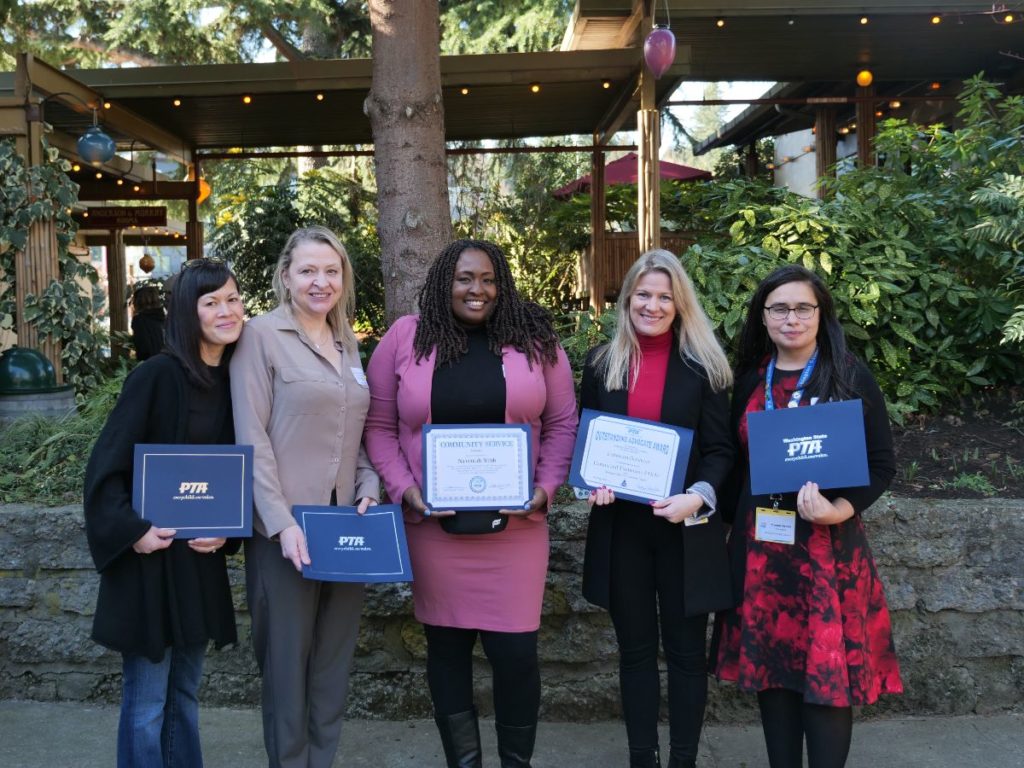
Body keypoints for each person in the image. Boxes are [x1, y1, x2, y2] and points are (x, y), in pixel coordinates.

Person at [364, 239, 577, 768]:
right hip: (434, 529)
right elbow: (379, 426)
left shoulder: (536, 340)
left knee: (516, 657)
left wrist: (546, 488)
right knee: (447, 652)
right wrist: (404, 490)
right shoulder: (404, 338)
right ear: (444, 282)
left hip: (517, 530)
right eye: (464, 278)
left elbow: (563, 423)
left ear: (501, 284)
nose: (476, 290)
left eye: (487, 279)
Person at [711, 264, 902, 768]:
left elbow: (882, 463)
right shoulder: (751, 379)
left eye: (802, 307)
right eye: (779, 308)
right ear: (763, 317)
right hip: (762, 554)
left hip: (826, 552)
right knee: (773, 678)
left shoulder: (849, 374)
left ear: (821, 315)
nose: (791, 318)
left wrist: (840, 508)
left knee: (827, 681)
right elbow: (733, 461)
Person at [83, 258, 244, 767]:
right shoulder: (156, 376)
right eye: (211, 302)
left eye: (233, 299)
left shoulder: (237, 382)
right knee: (148, 702)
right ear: (186, 312)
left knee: (186, 696)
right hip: (149, 563)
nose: (226, 311)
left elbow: (232, 476)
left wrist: (226, 532)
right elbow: (104, 467)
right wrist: (133, 532)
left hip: (196, 562)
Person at [230, 226, 380, 768]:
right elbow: (252, 438)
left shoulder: (349, 343)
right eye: (309, 271)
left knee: (332, 664)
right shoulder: (259, 337)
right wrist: (280, 521)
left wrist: (369, 483)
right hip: (285, 533)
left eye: (331, 271)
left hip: (345, 530)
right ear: (285, 276)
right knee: (287, 669)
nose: (321, 282)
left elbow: (355, 432)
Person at [579, 250, 734, 768]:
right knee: (636, 653)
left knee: (689, 656)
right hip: (623, 528)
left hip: (686, 529)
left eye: (664, 296)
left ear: (680, 302)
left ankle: (683, 760)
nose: (653, 304)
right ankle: (642, 757)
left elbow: (720, 451)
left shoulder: (705, 366)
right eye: (643, 294)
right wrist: (590, 484)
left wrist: (699, 495)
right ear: (626, 300)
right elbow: (590, 442)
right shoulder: (602, 363)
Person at [131, 282, 166, 360]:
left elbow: (142, 347)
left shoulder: (139, 320)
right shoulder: (163, 318)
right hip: (166, 361)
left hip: (149, 363)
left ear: (138, 302)